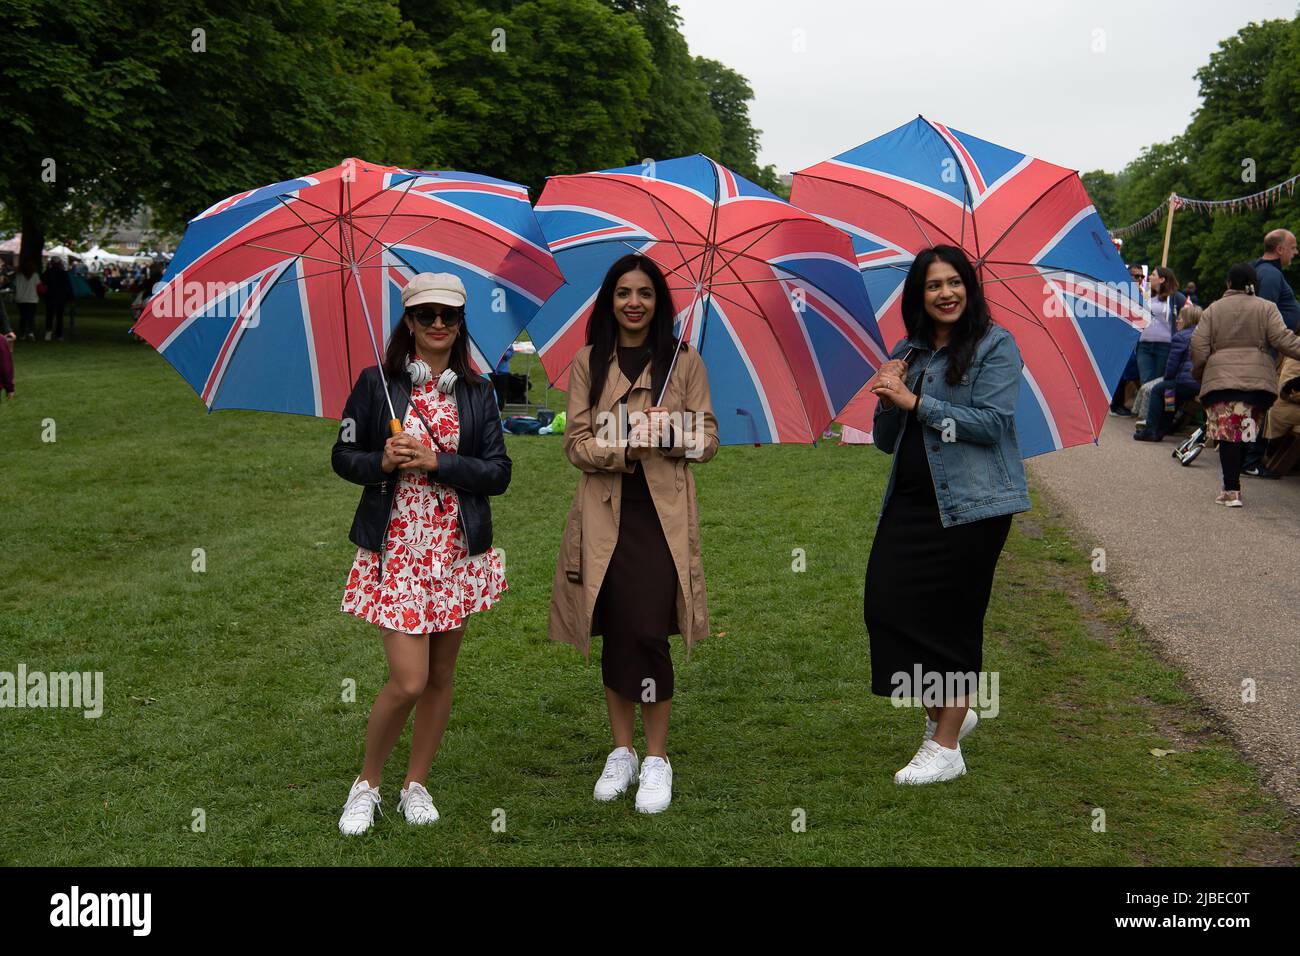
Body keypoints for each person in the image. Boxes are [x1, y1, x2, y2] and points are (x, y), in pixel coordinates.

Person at [331, 272, 510, 835]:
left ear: (460, 324)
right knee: (408, 679)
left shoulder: (480, 392)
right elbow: (342, 455)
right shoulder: (376, 385)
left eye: (448, 316)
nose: (437, 324)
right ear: (408, 322)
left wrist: (439, 463)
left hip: (453, 548)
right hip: (400, 547)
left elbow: (499, 473)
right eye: (425, 314)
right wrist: (381, 461)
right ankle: (367, 784)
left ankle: (417, 784)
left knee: (439, 677)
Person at [548, 253, 719, 815]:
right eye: (624, 292)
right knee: (617, 626)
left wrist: (668, 432)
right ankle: (620, 751)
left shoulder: (683, 360)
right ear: (610, 300)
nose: (634, 303)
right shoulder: (589, 361)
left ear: (658, 301)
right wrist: (623, 444)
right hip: (603, 515)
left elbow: (709, 441)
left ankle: (656, 758)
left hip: (661, 517)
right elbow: (574, 446)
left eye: (645, 293)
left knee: (648, 630)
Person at [864, 245, 1030, 785]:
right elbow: (887, 442)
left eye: (954, 282)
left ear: (969, 287)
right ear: (920, 295)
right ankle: (947, 713)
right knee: (888, 606)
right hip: (911, 501)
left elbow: (989, 424)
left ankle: (945, 744)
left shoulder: (995, 345)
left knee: (951, 621)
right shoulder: (907, 351)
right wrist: (888, 399)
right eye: (934, 285)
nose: (946, 293)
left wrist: (918, 404)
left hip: (973, 506)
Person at [1190, 263, 1300, 506]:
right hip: (1256, 384)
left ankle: (1231, 489)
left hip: (1221, 381)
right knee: (1244, 434)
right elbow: (1284, 340)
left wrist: (1201, 371)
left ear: (1229, 283)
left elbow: (1198, 345)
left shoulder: (1213, 310)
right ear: (1254, 284)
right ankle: (1233, 486)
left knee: (1228, 434)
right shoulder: (1267, 308)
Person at [1243, 228, 1300, 476]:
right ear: (1280, 249)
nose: (1295, 253)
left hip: (1262, 350)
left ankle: (1247, 459)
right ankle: (1250, 461)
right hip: (1266, 351)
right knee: (1261, 403)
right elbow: (1264, 316)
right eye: (1293, 247)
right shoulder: (1271, 275)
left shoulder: (1258, 270)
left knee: (1254, 404)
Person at [1134, 303, 1202, 441]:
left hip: (1186, 382)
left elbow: (1172, 366)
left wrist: (1167, 379)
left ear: (1188, 319)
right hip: (1200, 383)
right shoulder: (1202, 335)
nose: (1177, 320)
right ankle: (1162, 429)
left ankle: (1151, 429)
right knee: (1170, 393)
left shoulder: (1181, 336)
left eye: (1180, 318)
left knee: (1159, 390)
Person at [1136, 265, 1185, 386]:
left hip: (1165, 347)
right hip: (1144, 346)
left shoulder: (1176, 298)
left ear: (1162, 279)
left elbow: (1188, 316)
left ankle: (1153, 405)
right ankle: (1146, 405)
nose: (1150, 277)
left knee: (1157, 383)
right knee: (1145, 383)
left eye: (1153, 275)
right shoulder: (1146, 294)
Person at [1110, 264, 1147, 416]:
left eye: (1142, 276)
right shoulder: (1121, 291)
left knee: (1129, 371)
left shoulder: (1142, 294)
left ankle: (1121, 403)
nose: (1139, 279)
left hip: (1135, 337)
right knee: (1122, 370)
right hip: (1120, 336)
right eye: (1136, 276)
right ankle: (1116, 404)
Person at [41, 257, 72, 341]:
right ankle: (59, 335)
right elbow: (68, 286)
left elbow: (43, 282)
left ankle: (48, 333)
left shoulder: (48, 272)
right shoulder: (63, 273)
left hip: (50, 296)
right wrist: (69, 297)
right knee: (59, 317)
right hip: (61, 297)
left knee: (49, 316)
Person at [14, 257, 39, 342]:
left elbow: (14, 286)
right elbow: (39, 286)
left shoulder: (18, 276)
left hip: (20, 299)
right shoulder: (35, 275)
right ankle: (31, 332)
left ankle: (23, 334)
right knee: (31, 317)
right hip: (32, 299)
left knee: (23, 317)